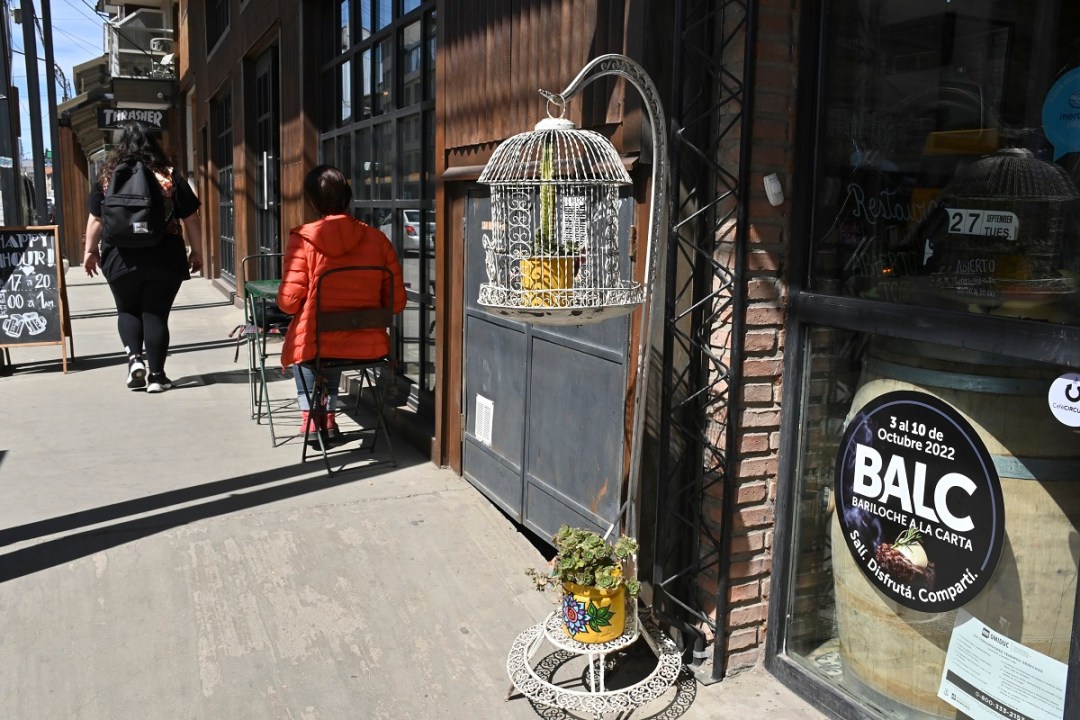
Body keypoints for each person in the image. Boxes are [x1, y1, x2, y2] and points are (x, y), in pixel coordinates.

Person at [276, 165, 407, 441]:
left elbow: (288, 303)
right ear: (347, 197)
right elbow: (396, 303)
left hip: (318, 345)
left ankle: (311, 420)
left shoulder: (303, 240)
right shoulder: (378, 240)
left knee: (312, 344)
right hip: (368, 345)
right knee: (330, 341)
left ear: (312, 201)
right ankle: (329, 416)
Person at [82, 121, 203, 393]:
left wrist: (90, 251)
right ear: (154, 144)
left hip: (119, 256)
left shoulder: (107, 176)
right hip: (164, 255)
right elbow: (191, 218)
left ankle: (135, 359)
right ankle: (157, 377)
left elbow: (96, 218)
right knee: (156, 314)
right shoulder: (169, 175)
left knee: (127, 310)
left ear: (121, 145)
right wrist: (197, 251)